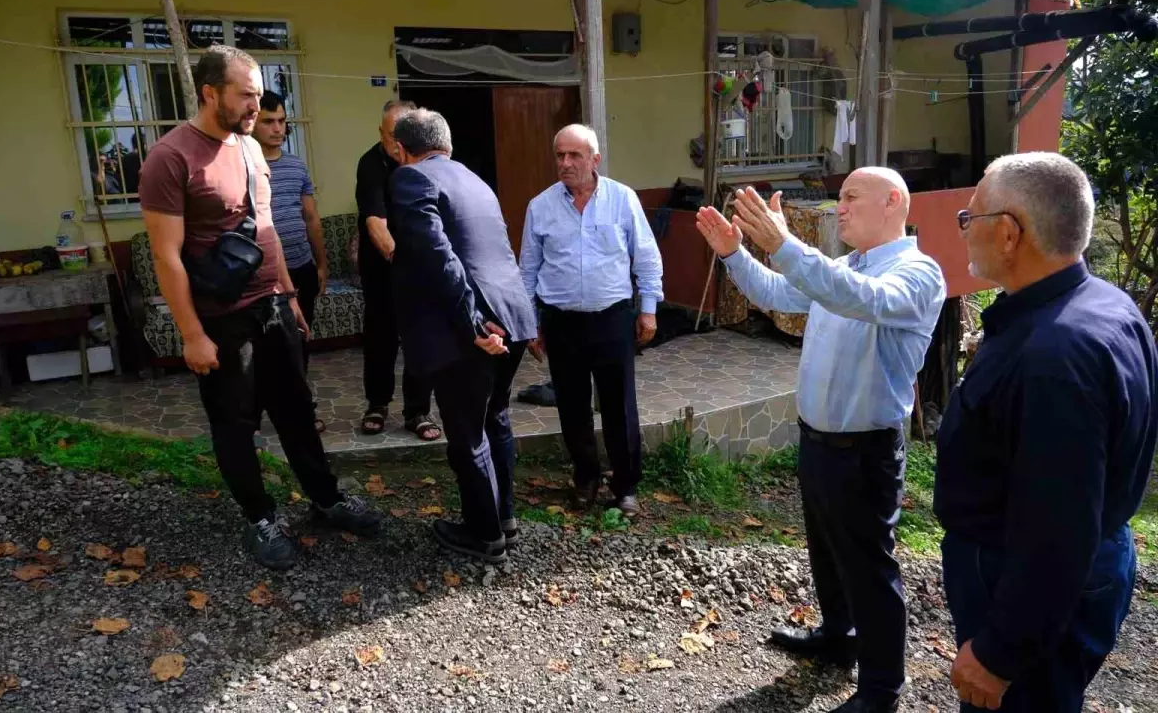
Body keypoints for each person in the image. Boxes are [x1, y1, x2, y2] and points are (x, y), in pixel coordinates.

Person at [696, 168, 945, 713]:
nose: (841, 209)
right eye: (841, 199)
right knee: (827, 553)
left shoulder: (916, 272)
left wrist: (784, 243)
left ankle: (881, 691)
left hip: (865, 451)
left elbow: (860, 299)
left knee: (870, 569)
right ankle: (839, 638)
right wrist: (736, 253)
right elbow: (778, 291)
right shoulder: (844, 266)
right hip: (819, 442)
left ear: (893, 202)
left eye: (851, 197)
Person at [139, 45, 379, 571]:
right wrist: (192, 334)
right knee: (234, 421)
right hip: (223, 319)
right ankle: (260, 517)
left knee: (297, 410)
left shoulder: (248, 148)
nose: (255, 105)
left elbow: (266, 231)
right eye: (245, 95)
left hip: (274, 307)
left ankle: (325, 499)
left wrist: (289, 295)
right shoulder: (170, 157)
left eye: (257, 94)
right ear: (210, 93)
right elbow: (166, 256)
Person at [935, 152, 1157, 712]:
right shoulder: (1108, 305)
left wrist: (1001, 653)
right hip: (1074, 569)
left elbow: (1058, 527)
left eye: (971, 216)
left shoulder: (1054, 354)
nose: (964, 227)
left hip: (1029, 582)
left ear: (1009, 233)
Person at [386, 108, 536, 564]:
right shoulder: (475, 181)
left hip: (467, 329)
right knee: (496, 420)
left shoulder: (411, 179)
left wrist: (472, 324)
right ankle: (504, 520)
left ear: (401, 150)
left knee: (468, 434)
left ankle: (485, 536)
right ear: (447, 144)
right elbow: (497, 251)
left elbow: (441, 258)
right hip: (511, 316)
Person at [518, 124, 663, 518]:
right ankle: (586, 477)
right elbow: (527, 270)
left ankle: (626, 485)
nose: (565, 163)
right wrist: (530, 324)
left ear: (594, 159)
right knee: (572, 405)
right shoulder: (541, 206)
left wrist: (647, 309)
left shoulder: (622, 199)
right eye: (560, 156)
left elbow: (646, 257)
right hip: (561, 322)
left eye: (574, 156)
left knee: (619, 405)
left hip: (612, 319)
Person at [354, 100, 439, 442]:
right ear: (381, 133)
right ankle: (377, 404)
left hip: (420, 270)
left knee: (421, 338)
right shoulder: (371, 164)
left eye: (404, 135)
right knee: (380, 339)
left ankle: (417, 410)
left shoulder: (426, 164)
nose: (397, 143)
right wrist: (402, 261)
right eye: (392, 135)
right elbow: (375, 221)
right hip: (383, 269)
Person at [252, 90, 328, 433]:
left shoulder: (297, 165)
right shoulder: (245, 167)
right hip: (261, 275)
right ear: (253, 123)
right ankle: (252, 417)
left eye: (282, 121)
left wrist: (321, 263)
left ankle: (302, 411)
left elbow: (311, 217)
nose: (277, 128)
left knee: (300, 342)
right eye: (268, 121)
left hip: (301, 267)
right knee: (262, 349)